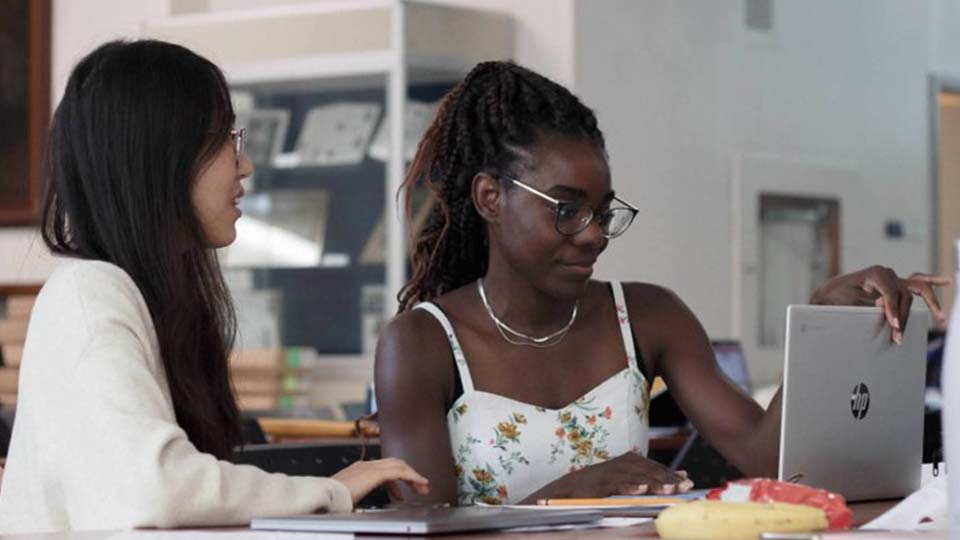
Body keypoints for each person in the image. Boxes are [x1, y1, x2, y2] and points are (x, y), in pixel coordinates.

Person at [374, 61, 947, 506]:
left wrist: (825, 316)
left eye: (603, 212)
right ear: (490, 198)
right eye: (568, 210)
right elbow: (422, 528)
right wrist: (566, 493)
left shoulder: (648, 316)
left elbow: (765, 454)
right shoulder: (421, 344)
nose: (594, 235)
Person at [0, 40, 428, 533]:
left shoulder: (141, 297)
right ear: (162, 154)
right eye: (226, 139)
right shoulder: (87, 292)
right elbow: (158, 488)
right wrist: (330, 492)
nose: (244, 166)